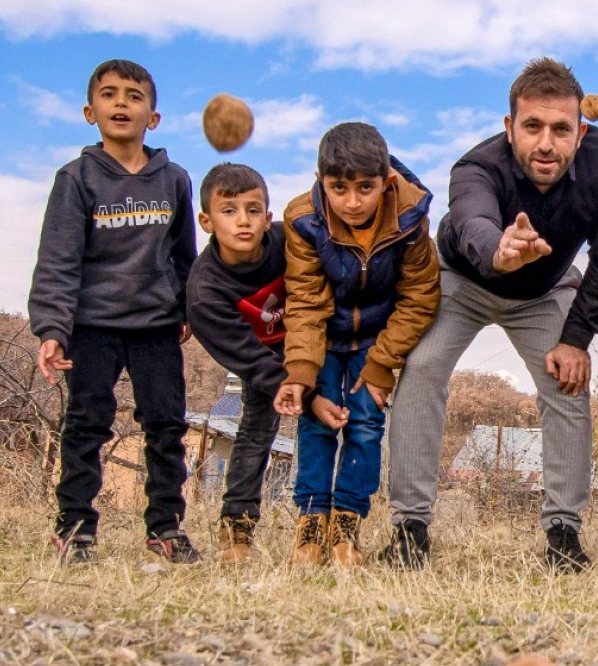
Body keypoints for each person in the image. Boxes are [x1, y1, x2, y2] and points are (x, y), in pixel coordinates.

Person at [380, 57, 598, 572]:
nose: (546, 143)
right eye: (532, 126)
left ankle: (563, 532)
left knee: (567, 379)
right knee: (421, 367)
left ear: (581, 132)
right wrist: (499, 248)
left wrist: (576, 338)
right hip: (462, 278)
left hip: (545, 290)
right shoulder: (476, 167)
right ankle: (410, 527)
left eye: (561, 129)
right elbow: (471, 217)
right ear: (508, 126)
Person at [28, 59, 197, 565]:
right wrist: (53, 328)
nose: (121, 103)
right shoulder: (76, 179)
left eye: (133, 95)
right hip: (93, 326)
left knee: (167, 428)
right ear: (89, 111)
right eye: (109, 94)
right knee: (86, 425)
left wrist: (187, 306)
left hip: (156, 328)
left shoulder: (175, 180)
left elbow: (185, 255)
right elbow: (58, 258)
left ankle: (165, 529)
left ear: (154, 117)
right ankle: (75, 529)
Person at [275, 122, 440, 566]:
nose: (351, 201)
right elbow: (306, 299)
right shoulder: (302, 220)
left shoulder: (410, 219)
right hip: (323, 336)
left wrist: (382, 364)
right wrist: (302, 372)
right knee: (317, 422)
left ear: (386, 183)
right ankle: (311, 523)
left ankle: (348, 523)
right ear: (320, 182)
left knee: (366, 424)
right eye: (338, 188)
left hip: (378, 337)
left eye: (365, 188)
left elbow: (420, 295)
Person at [183, 163, 288, 564]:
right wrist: (291, 388)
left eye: (253, 209)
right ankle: (236, 528)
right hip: (258, 356)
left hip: (308, 342)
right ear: (206, 220)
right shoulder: (205, 290)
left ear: (268, 217)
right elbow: (246, 357)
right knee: (258, 427)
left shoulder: (286, 243)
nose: (243, 221)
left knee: (331, 423)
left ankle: (320, 522)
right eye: (229, 211)